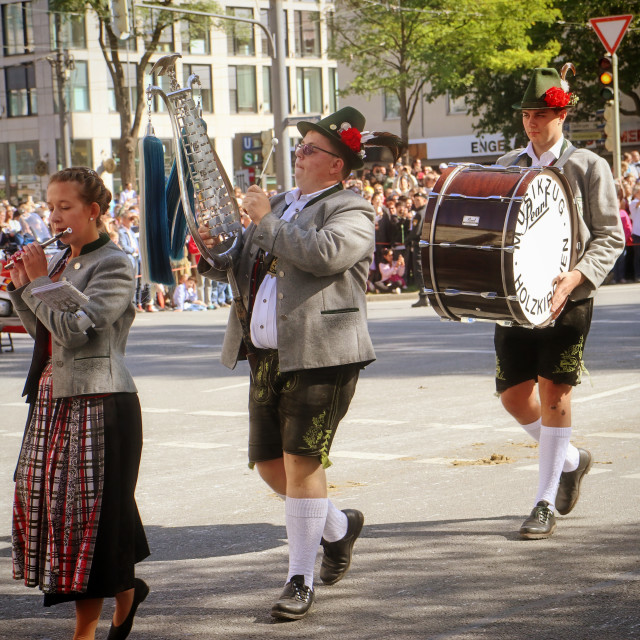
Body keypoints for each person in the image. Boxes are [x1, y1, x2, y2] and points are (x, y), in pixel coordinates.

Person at [198, 107, 402, 620]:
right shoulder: (283, 203)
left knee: (302, 462)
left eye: (310, 149)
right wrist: (211, 248)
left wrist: (264, 219)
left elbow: (324, 254)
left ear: (336, 165)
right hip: (267, 352)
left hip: (322, 352)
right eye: (301, 146)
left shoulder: (352, 208)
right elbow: (240, 261)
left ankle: (299, 578)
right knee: (270, 465)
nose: (299, 153)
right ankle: (338, 527)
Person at [7, 167, 149, 640]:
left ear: (93, 210)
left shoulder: (115, 263)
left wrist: (39, 282)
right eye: (50, 206)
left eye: (65, 206)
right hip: (54, 396)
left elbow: (74, 330)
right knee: (74, 509)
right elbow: (44, 334)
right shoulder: (63, 262)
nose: (54, 216)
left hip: (100, 397)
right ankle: (126, 590)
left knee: (87, 517)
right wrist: (20, 286)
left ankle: (84, 630)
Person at [494, 67, 624, 539]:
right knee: (512, 396)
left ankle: (544, 501)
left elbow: (611, 236)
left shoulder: (589, 165)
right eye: (527, 114)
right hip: (516, 299)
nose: (531, 121)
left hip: (569, 297)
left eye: (541, 113)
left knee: (555, 392)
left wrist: (577, 277)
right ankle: (571, 460)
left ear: (561, 114)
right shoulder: (508, 164)